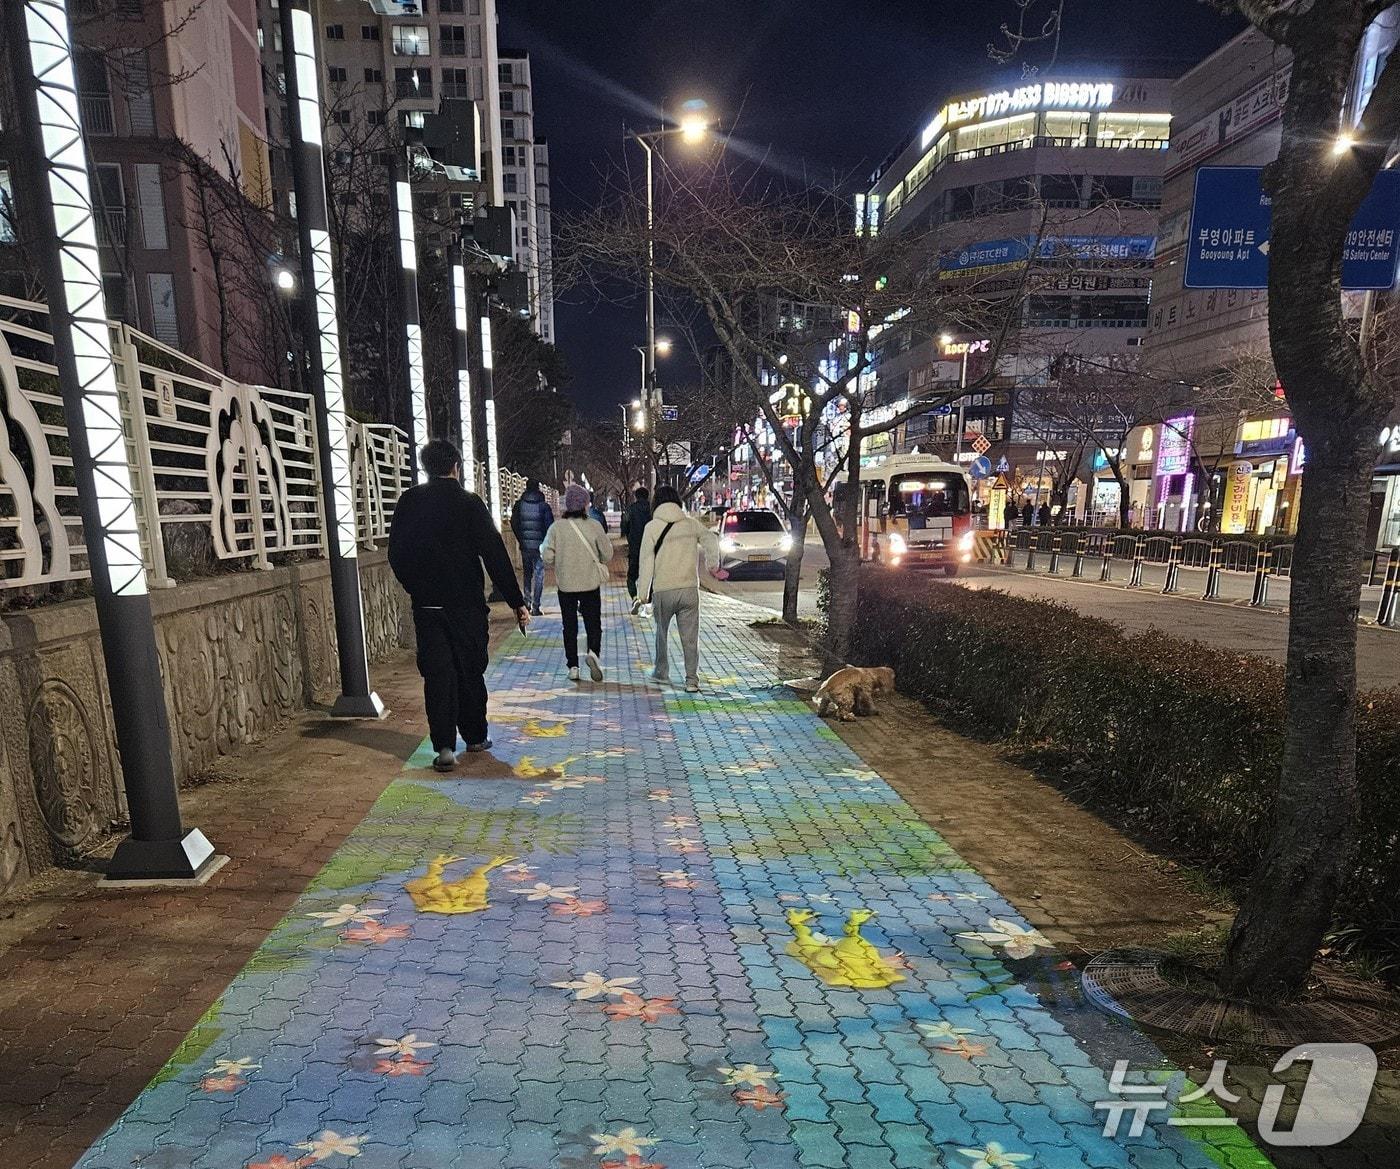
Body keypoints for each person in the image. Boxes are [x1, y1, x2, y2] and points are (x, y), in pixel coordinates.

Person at [389, 439, 529, 772]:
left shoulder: (408, 502)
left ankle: (444, 747)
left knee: (438, 673)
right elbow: (494, 553)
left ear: (425, 467)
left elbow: (396, 553)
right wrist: (516, 601)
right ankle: (476, 736)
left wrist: (418, 588)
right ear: (457, 466)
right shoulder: (469, 504)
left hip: (428, 606)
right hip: (466, 603)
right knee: (469, 669)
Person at [637, 484, 722, 693]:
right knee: (690, 637)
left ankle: (661, 671)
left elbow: (646, 562)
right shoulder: (691, 524)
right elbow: (711, 539)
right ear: (678, 502)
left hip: (663, 590)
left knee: (661, 633)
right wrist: (712, 565)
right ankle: (691, 680)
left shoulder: (651, 527)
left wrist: (642, 594)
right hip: (689, 589)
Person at [541, 484, 613, 683]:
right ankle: (593, 653)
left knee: (569, 626)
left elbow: (547, 557)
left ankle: (573, 666)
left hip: (566, 585)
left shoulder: (556, 528)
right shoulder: (594, 525)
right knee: (593, 623)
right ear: (584, 505)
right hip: (590, 583)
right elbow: (607, 554)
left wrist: (559, 558)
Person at [509, 478, 553, 616]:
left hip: (525, 546)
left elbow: (514, 522)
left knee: (527, 574)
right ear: (538, 489)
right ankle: (536, 606)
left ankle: (526, 602)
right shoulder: (544, 506)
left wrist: (521, 538)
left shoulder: (519, 505)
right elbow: (550, 527)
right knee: (539, 574)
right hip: (540, 546)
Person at [621, 486, 652, 613]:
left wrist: (629, 536)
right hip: (651, 550)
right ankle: (648, 603)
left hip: (635, 549)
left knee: (631, 577)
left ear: (636, 496)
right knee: (651, 577)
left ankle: (635, 598)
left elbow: (624, 526)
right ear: (648, 496)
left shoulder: (631, 509)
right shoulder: (653, 509)